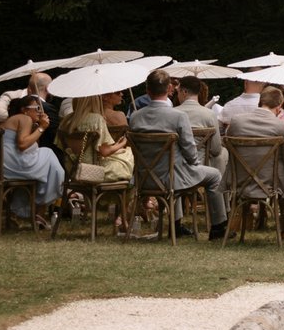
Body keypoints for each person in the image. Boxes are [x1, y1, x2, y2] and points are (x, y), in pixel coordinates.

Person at [127, 69, 228, 240]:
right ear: (168, 90)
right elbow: (190, 151)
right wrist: (194, 164)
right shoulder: (178, 116)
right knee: (215, 175)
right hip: (173, 178)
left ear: (147, 90)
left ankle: (176, 225)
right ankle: (218, 228)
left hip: (143, 178)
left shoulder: (136, 117)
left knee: (176, 168)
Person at [222, 85, 284, 241]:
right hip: (271, 183)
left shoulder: (237, 122)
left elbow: (228, 146)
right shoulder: (283, 127)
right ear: (279, 106)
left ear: (260, 101)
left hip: (240, 181)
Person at [0, 95, 65, 229]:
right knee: (49, 155)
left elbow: (28, 147)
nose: (40, 112)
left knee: (44, 162)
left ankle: (35, 209)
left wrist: (38, 127)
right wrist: (42, 128)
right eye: (37, 108)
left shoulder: (17, 120)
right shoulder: (25, 118)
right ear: (25, 110)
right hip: (9, 163)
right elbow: (22, 144)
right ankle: (39, 206)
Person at [59, 94, 134, 183]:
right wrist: (122, 143)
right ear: (94, 100)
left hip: (72, 170)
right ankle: (127, 193)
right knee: (128, 153)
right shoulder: (96, 119)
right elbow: (105, 152)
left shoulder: (67, 120)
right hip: (93, 171)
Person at [175, 77, 226, 177]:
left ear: (184, 92)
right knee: (223, 152)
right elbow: (215, 150)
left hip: (176, 167)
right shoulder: (210, 114)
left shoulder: (172, 113)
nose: (177, 95)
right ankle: (217, 189)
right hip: (201, 167)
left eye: (178, 92)